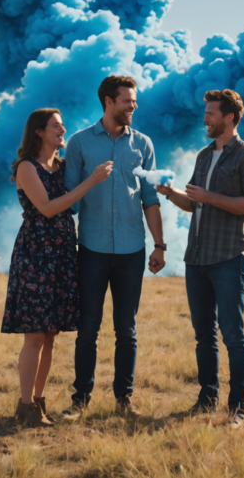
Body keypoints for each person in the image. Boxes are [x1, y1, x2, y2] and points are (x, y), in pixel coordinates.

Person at [156, 89, 244, 429]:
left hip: (229, 256)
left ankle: (238, 407)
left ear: (230, 117)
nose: (206, 117)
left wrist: (210, 197)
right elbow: (193, 203)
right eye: (205, 112)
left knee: (232, 334)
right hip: (197, 257)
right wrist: (170, 193)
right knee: (203, 334)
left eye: (212, 113)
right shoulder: (204, 156)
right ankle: (207, 397)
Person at [61, 75, 167, 419]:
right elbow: (69, 201)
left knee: (127, 329)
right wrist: (91, 181)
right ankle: (80, 400)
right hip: (91, 249)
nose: (133, 106)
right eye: (127, 101)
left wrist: (159, 245)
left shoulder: (144, 144)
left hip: (132, 250)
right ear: (108, 101)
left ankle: (125, 400)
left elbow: (150, 198)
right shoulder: (78, 143)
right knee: (88, 327)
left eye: (134, 101)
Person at [3, 108, 113, 427]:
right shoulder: (27, 167)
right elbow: (49, 209)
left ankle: (38, 403)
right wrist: (92, 180)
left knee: (50, 335)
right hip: (36, 256)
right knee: (35, 336)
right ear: (39, 131)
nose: (62, 130)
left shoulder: (63, 167)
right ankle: (24, 407)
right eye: (56, 126)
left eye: (62, 125)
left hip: (62, 256)